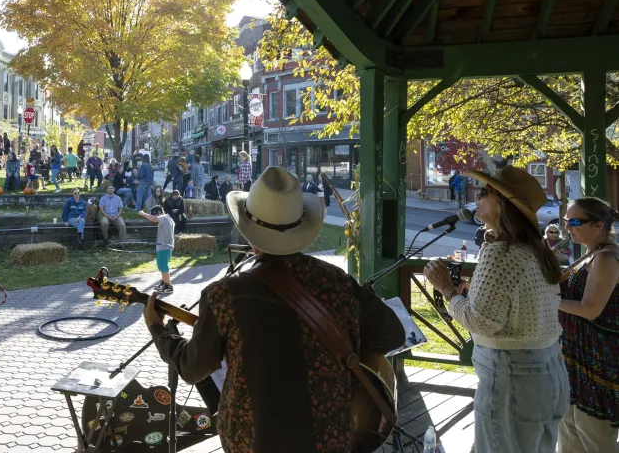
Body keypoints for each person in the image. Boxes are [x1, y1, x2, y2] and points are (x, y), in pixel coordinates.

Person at [143, 166, 404, 452]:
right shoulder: (339, 284)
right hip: (328, 438)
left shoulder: (223, 296)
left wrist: (158, 329)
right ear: (301, 227)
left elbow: (193, 367)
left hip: (251, 441)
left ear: (250, 232)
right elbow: (392, 335)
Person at [424, 165, 566, 453]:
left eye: (485, 192)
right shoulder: (535, 251)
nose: (477, 195)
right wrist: (471, 291)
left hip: (513, 376)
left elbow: (482, 321)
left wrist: (447, 290)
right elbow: (514, 303)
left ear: (503, 204)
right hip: (550, 372)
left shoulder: (500, 253)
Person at [558, 197, 619, 452]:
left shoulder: (605, 257)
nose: (567, 227)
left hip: (597, 365)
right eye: (565, 221)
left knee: (596, 439)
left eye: (574, 221)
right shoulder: (591, 253)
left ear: (597, 226)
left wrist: (549, 299)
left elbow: (590, 309)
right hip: (577, 358)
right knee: (571, 436)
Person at [139, 205, 175, 294]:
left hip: (164, 247)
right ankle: (164, 283)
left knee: (163, 266)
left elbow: (154, 219)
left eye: (155, 215)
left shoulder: (163, 217)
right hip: (166, 246)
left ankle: (168, 286)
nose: (156, 221)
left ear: (158, 213)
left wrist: (142, 213)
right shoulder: (169, 219)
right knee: (162, 265)